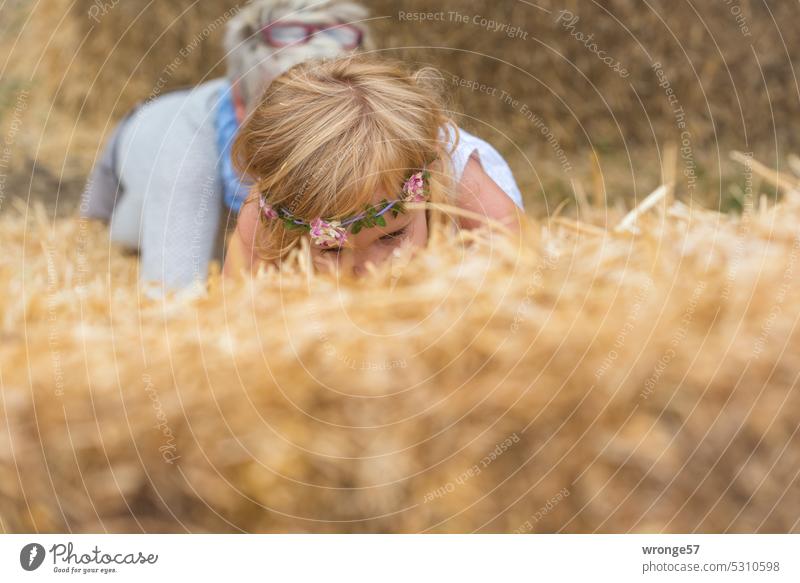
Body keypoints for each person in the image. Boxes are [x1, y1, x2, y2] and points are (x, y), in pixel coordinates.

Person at [80, 0, 371, 291]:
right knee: (126, 235)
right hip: (130, 149)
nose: (313, 138)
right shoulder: (186, 153)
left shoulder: (369, 116)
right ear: (240, 104)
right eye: (289, 118)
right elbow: (170, 292)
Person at [224, 56, 525, 278]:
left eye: (391, 237)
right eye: (333, 249)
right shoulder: (268, 211)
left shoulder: (458, 177)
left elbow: (524, 261)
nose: (370, 269)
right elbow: (235, 308)